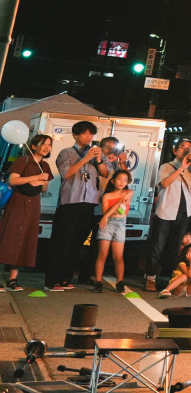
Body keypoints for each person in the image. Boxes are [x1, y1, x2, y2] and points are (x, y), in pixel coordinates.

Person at [48, 121, 103, 290]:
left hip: (89, 204)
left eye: (91, 134)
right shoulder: (66, 152)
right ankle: (52, 280)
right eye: (85, 133)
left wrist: (98, 159)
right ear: (75, 135)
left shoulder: (96, 154)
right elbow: (66, 173)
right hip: (70, 204)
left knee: (77, 244)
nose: (89, 137)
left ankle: (66, 278)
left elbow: (106, 172)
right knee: (62, 242)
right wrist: (85, 159)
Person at [0, 134, 53, 289]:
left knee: (24, 239)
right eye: (43, 144)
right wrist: (35, 177)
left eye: (49, 144)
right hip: (18, 201)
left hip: (34, 204)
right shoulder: (24, 160)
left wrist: (42, 182)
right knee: (8, 237)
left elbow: (44, 189)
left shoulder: (45, 165)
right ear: (34, 146)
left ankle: (13, 279)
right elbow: (13, 180)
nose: (46, 147)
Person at [92, 168, 133, 292]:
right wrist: (106, 216)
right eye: (119, 179)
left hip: (120, 224)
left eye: (125, 180)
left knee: (118, 256)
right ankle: (98, 282)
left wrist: (105, 216)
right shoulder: (106, 195)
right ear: (112, 181)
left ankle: (120, 282)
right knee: (102, 254)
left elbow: (108, 213)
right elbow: (106, 212)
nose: (122, 182)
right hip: (107, 224)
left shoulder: (129, 192)